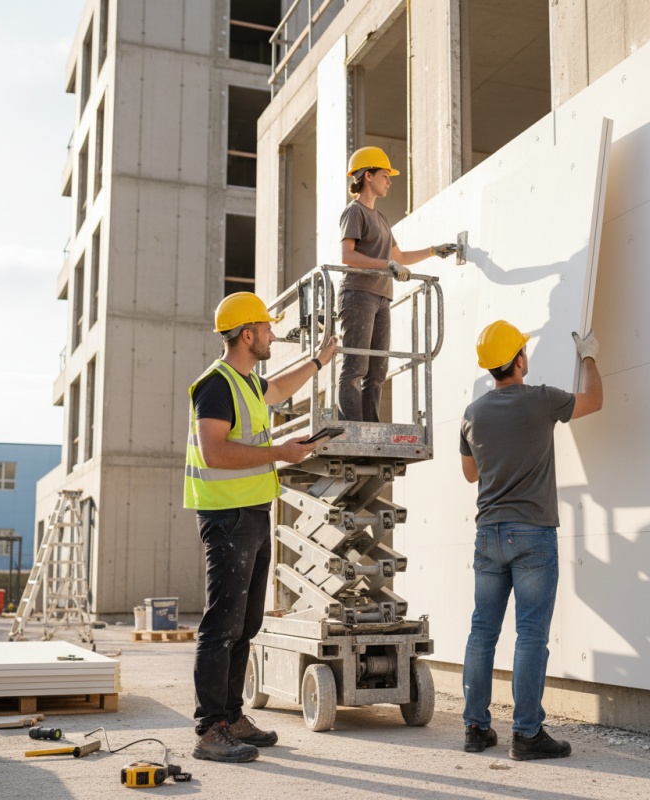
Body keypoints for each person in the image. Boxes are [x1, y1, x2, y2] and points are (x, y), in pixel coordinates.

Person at [184, 291, 337, 763]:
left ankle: (231, 715)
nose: (273, 334)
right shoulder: (216, 384)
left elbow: (279, 391)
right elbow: (216, 453)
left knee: (246, 623)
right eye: (267, 329)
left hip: (250, 513)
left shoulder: (248, 383)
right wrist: (280, 452)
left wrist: (317, 361)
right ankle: (210, 729)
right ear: (247, 335)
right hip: (226, 516)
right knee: (222, 624)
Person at [459, 321, 603, 760]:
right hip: (533, 534)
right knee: (530, 634)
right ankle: (526, 734)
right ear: (519, 359)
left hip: (489, 533)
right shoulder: (541, 400)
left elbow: (471, 474)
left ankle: (476, 729)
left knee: (482, 631)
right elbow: (595, 401)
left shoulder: (473, 413)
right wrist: (590, 356)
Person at [338, 145, 457, 422]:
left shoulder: (380, 218)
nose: (389, 181)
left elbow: (398, 257)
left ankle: (371, 428)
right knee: (356, 366)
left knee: (378, 371)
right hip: (358, 295)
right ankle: (354, 430)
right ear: (367, 175)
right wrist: (386, 265)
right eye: (385, 175)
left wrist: (432, 250)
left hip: (381, 297)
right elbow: (347, 256)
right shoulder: (354, 212)